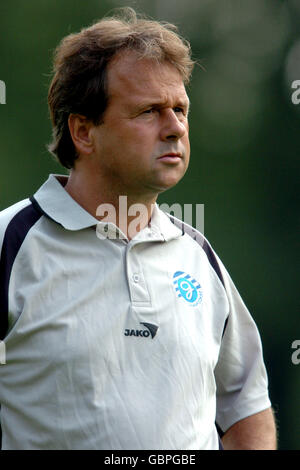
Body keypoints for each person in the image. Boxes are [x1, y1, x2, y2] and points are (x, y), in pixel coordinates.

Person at [0, 7, 277, 450]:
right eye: (149, 111)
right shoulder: (11, 244)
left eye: (180, 109)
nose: (175, 128)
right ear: (84, 132)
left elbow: (246, 407)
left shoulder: (198, 256)